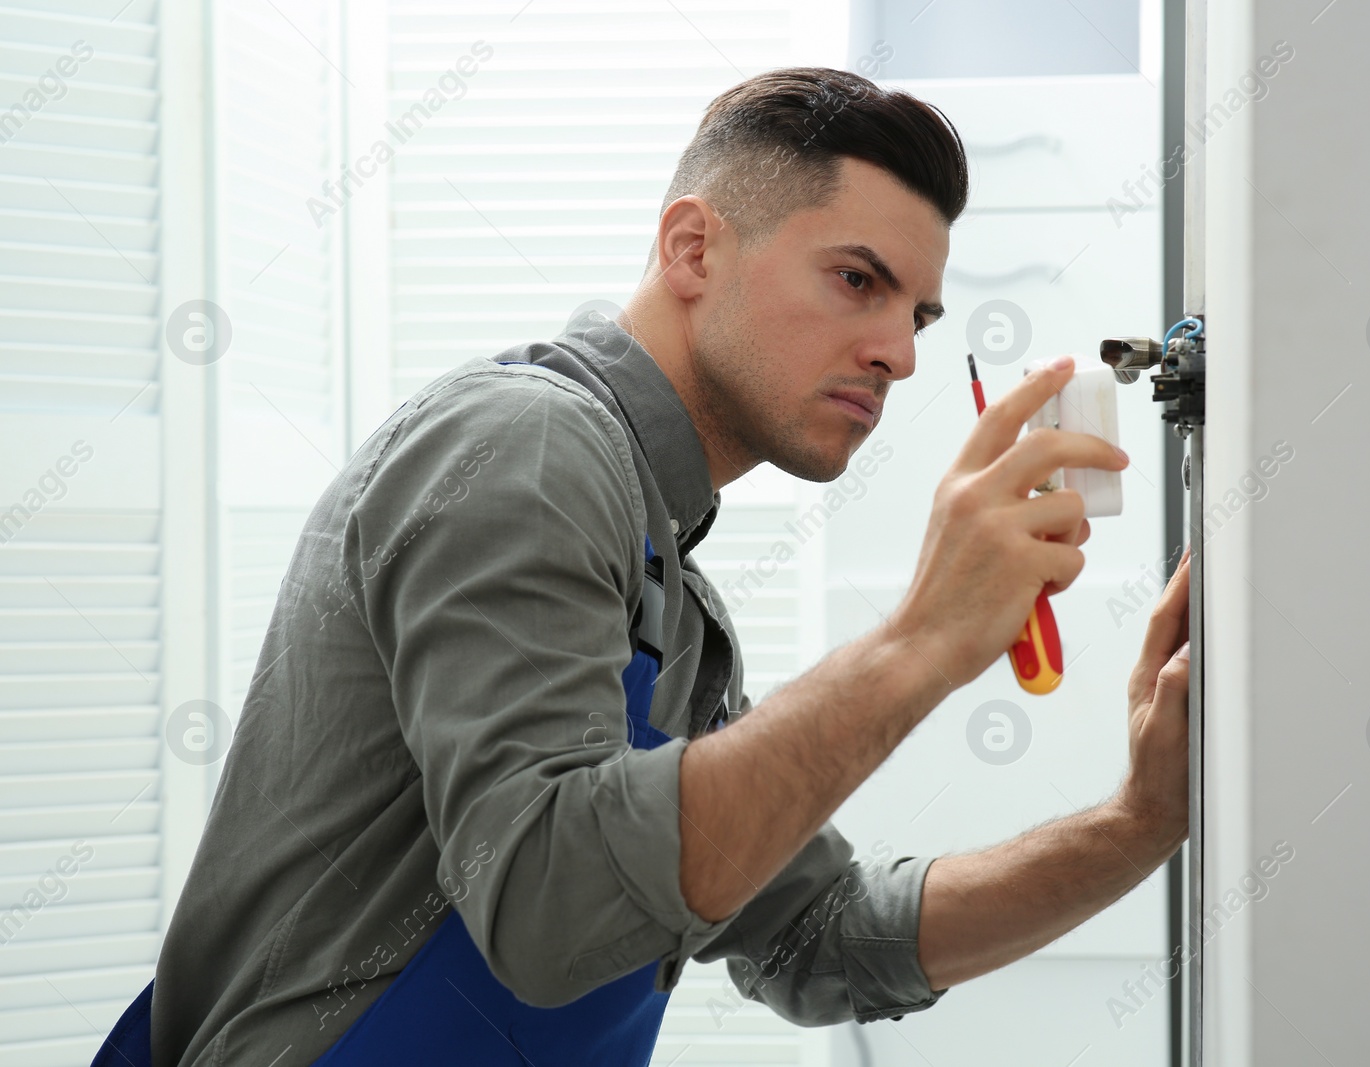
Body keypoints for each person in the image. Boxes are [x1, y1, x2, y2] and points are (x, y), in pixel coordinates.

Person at [127, 66, 1191, 1067]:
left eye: (914, 315)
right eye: (855, 279)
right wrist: (923, 637)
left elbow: (819, 936)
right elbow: (549, 907)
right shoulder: (522, 446)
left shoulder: (676, 607)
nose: (898, 352)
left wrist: (1138, 821)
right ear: (691, 250)